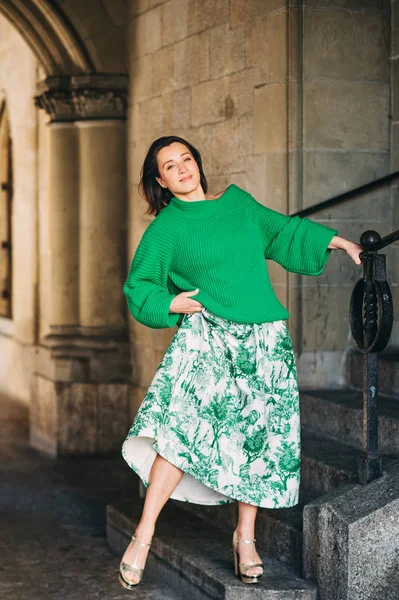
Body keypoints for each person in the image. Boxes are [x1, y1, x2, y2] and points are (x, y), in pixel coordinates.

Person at [118, 135, 363, 590]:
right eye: (170, 166)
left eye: (185, 159)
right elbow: (140, 286)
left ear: (197, 163)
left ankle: (245, 538)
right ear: (161, 181)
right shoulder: (166, 228)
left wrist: (338, 242)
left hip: (263, 338)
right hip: (208, 338)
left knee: (255, 436)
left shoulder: (238, 203)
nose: (182, 168)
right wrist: (173, 304)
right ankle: (144, 533)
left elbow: (282, 231)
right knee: (179, 432)